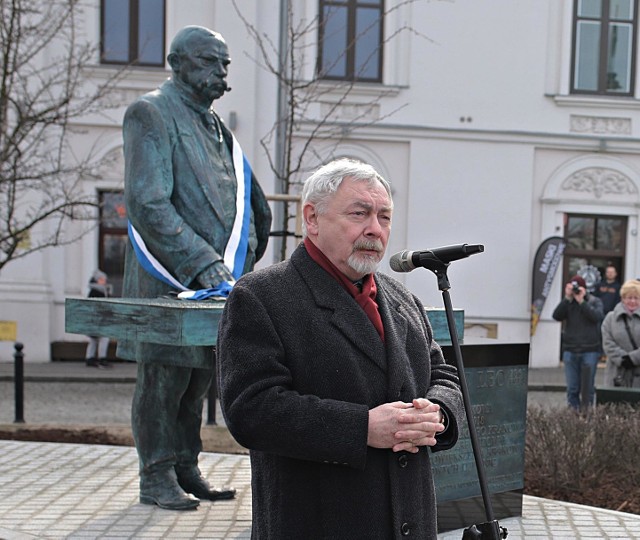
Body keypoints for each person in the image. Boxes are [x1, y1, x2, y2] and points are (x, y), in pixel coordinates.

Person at [216, 158, 463, 538]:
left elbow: (442, 373)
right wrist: (362, 427)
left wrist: (439, 411)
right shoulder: (261, 296)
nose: (375, 230)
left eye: (384, 217)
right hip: (318, 523)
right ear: (312, 219)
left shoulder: (402, 298)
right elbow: (251, 409)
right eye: (360, 213)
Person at [120, 26, 272, 510]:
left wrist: (251, 247)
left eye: (225, 64)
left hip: (217, 286)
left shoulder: (217, 127)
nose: (221, 72)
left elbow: (244, 198)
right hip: (169, 282)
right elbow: (147, 202)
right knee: (163, 381)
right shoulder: (151, 113)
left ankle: (186, 466)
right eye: (210, 61)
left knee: (197, 382)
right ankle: (155, 474)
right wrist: (202, 260)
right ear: (176, 63)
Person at [601, 279, 640, 406]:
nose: (633, 301)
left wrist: (633, 358)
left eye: (637, 298)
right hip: (617, 372)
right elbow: (607, 342)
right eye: (629, 297)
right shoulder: (610, 318)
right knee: (616, 411)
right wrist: (622, 358)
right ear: (623, 298)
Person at [552, 275, 604, 409]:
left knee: (587, 389)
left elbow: (596, 317)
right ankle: (573, 420)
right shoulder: (568, 304)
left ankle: (586, 417)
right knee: (572, 388)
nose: (575, 291)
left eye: (578, 288)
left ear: (585, 289)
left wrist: (582, 302)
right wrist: (567, 298)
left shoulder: (594, 301)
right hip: (570, 350)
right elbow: (556, 316)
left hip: (590, 351)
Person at [85, 269, 111, 369]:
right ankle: (102, 358)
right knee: (103, 338)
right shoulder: (98, 291)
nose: (104, 281)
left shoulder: (99, 291)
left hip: (95, 320)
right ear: (98, 280)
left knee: (93, 340)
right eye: (102, 279)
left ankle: (90, 358)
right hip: (98, 320)